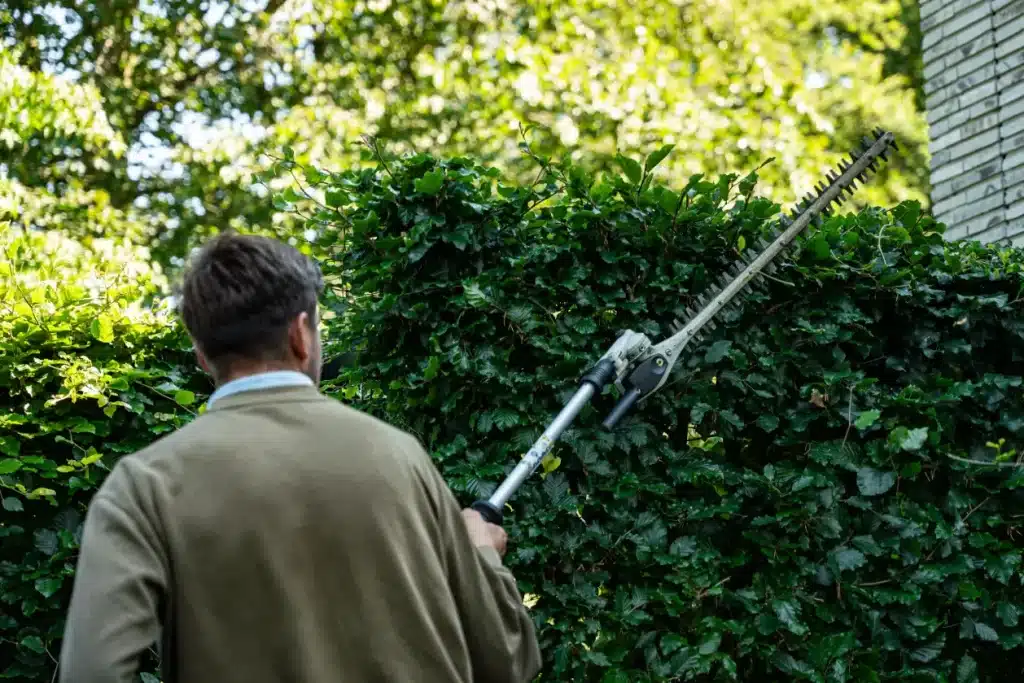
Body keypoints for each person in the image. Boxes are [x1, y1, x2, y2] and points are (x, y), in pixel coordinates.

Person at [59, 232, 542, 683]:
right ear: (301, 334)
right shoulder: (402, 457)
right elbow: (508, 659)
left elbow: (91, 671)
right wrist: (481, 552)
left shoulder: (144, 484)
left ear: (202, 356)